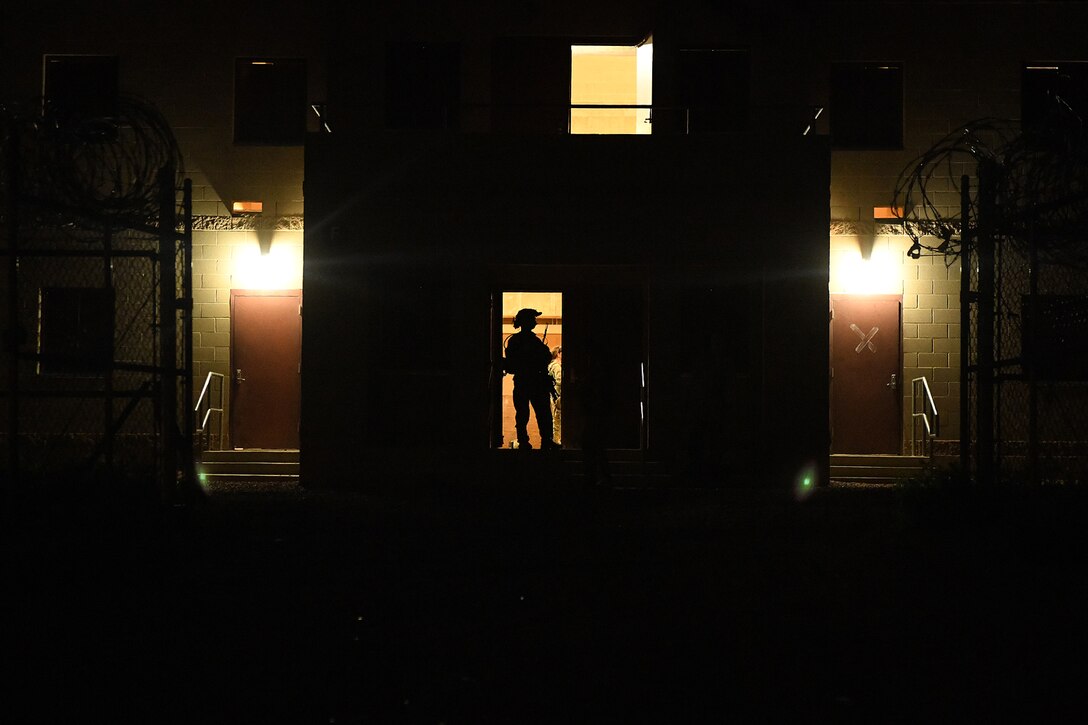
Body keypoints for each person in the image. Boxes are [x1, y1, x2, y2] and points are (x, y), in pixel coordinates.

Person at [504, 308, 557, 450]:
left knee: (527, 414)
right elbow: (543, 358)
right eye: (533, 319)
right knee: (536, 413)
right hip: (532, 382)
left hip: (525, 381)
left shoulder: (517, 340)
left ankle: (528, 441)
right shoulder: (529, 341)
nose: (535, 322)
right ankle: (539, 440)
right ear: (526, 321)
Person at [547, 346, 562, 445]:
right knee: (557, 420)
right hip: (558, 396)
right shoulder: (557, 367)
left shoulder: (551, 365)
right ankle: (556, 442)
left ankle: (555, 441)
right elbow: (560, 381)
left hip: (554, 396)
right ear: (558, 354)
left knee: (555, 420)